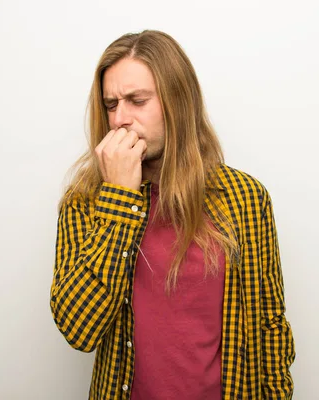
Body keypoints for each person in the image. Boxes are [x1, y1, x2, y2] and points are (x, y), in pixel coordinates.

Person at [50, 30, 295, 400]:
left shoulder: (244, 198)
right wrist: (119, 197)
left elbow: (269, 326)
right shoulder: (85, 201)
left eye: (137, 100)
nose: (120, 119)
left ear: (178, 102)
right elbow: (78, 329)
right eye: (111, 104)